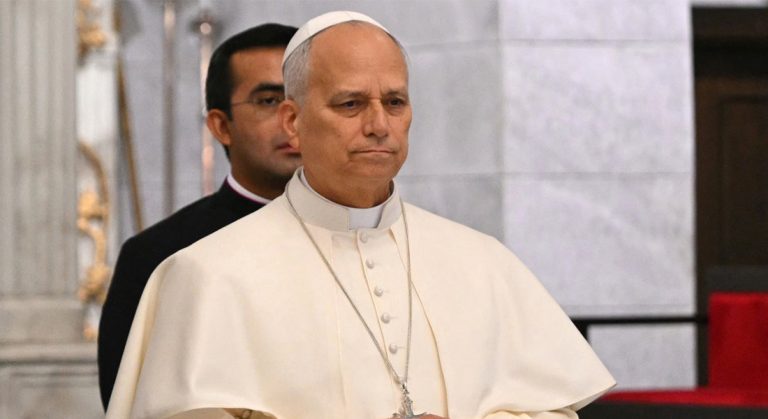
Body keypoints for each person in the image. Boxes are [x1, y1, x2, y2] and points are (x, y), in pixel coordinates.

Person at [105, 11, 615, 419]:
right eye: (350, 104)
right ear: (293, 121)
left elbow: (551, 409)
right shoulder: (207, 273)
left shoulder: (483, 262)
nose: (378, 125)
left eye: (394, 102)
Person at [97, 23, 300, 410]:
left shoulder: (363, 237)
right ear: (221, 126)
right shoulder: (158, 255)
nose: (292, 119)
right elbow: (130, 403)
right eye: (270, 100)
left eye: (305, 99)